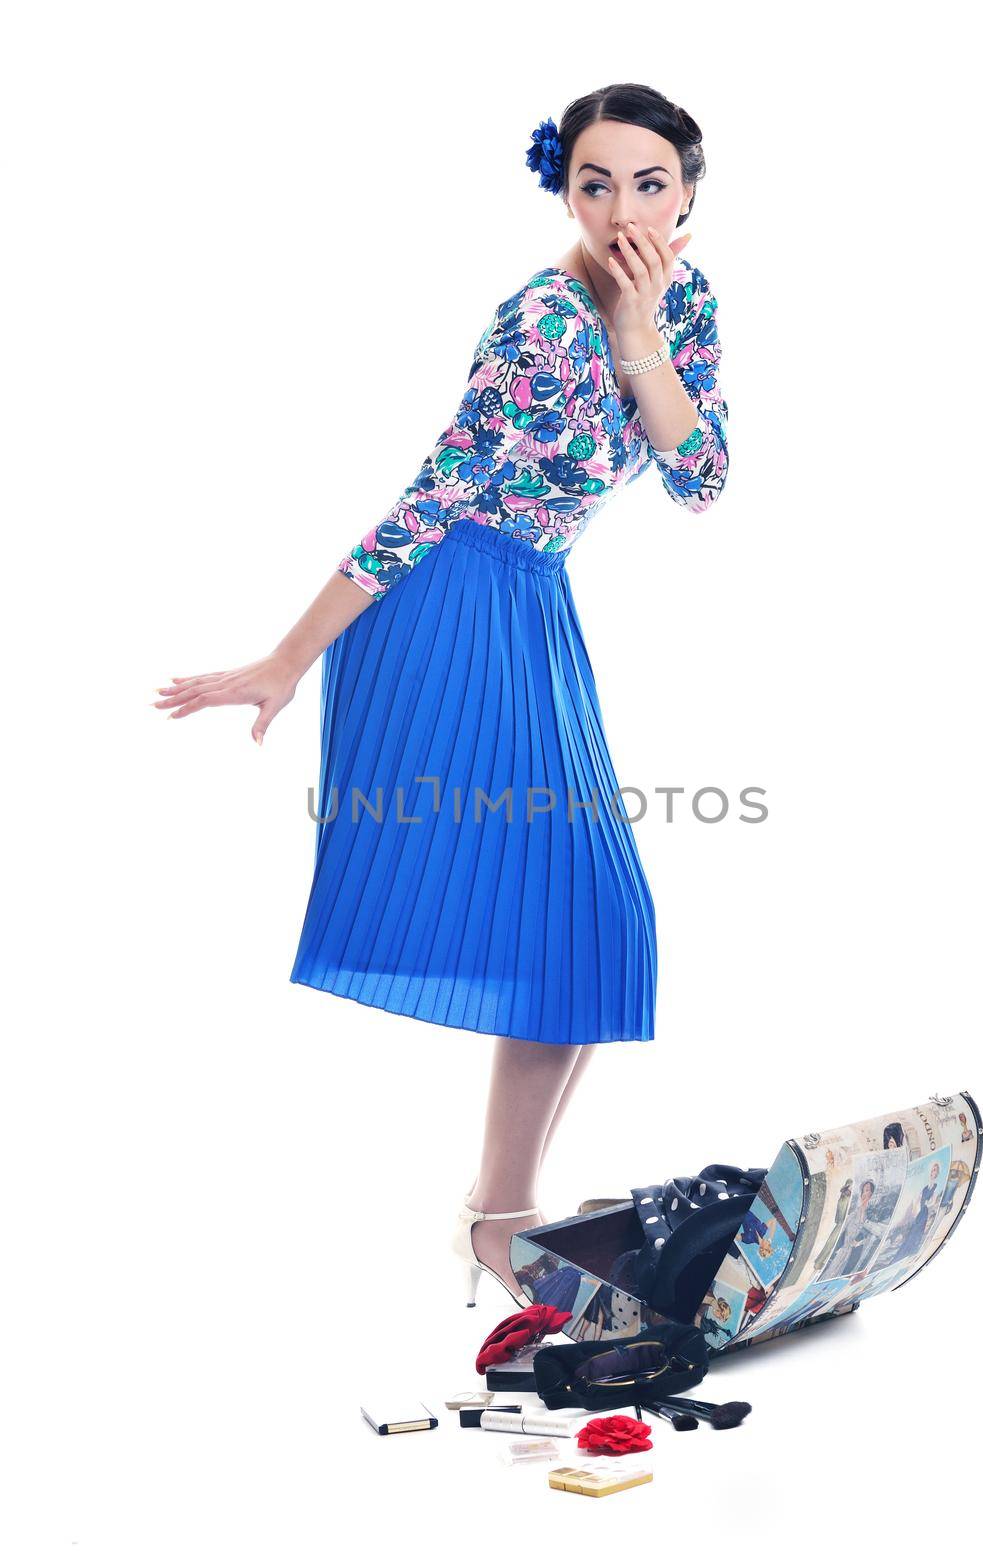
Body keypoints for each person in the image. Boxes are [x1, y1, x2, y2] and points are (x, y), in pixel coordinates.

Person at [152, 82, 729, 1303]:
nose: (620, 207)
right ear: (561, 188)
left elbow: (703, 479)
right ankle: (499, 1217)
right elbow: (428, 500)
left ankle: (495, 1210)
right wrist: (289, 655)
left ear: (688, 189)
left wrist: (639, 335)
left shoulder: (683, 302)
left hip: (531, 601)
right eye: (593, 183)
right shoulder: (531, 323)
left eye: (647, 182)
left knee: (598, 927)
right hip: (443, 607)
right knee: (572, 916)